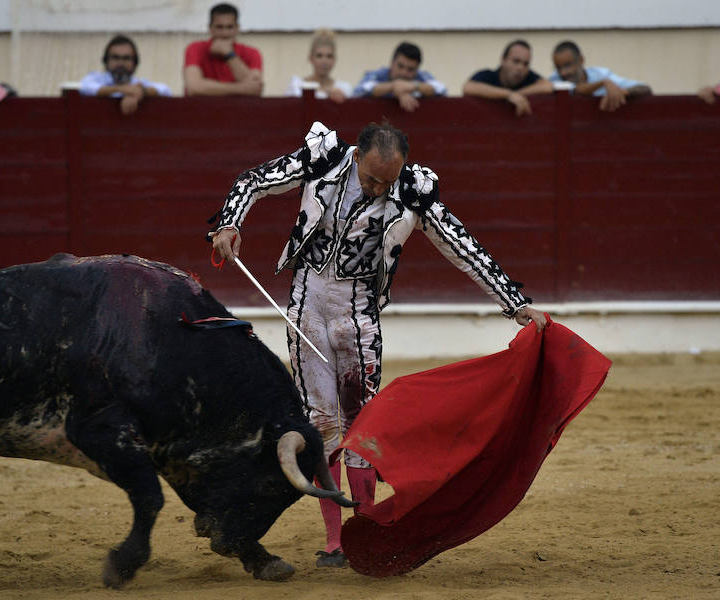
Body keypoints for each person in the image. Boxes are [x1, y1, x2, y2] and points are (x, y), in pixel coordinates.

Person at [210, 120, 547, 568]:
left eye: (386, 182)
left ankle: (363, 533)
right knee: (322, 422)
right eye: (371, 179)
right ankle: (334, 541)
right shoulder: (323, 159)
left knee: (361, 424)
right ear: (356, 157)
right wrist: (230, 223)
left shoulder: (411, 191)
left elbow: (463, 247)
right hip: (306, 303)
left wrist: (515, 303)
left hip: (358, 312)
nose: (376, 190)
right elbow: (253, 180)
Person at [183, 3, 263, 97]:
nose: (225, 33)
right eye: (219, 27)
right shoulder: (195, 48)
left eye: (229, 27)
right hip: (202, 109)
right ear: (210, 28)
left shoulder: (252, 53)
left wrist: (229, 54)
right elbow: (193, 88)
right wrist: (241, 88)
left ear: (237, 28)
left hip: (238, 109)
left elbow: (255, 89)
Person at [80, 34, 171, 116]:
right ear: (106, 61)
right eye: (115, 58)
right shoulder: (96, 79)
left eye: (126, 58)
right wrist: (122, 89)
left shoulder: (138, 84)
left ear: (135, 63)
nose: (121, 63)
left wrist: (142, 92)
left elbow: (165, 89)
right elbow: (85, 87)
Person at [549, 40, 651, 112]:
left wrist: (621, 92)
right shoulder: (555, 79)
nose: (562, 73)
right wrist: (604, 83)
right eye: (558, 67)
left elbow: (645, 88)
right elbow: (578, 90)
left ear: (581, 60)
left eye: (567, 66)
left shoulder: (600, 74)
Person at [462, 39, 553, 117]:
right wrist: (508, 95)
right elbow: (468, 87)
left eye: (526, 64)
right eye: (516, 61)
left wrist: (517, 94)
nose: (520, 68)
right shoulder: (489, 75)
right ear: (503, 60)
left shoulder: (528, 76)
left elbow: (548, 86)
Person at [352, 42, 447, 112]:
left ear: (417, 69)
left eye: (410, 69)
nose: (404, 73)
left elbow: (442, 89)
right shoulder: (379, 74)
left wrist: (414, 86)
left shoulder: (421, 76)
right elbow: (358, 90)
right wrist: (393, 86)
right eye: (400, 66)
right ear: (392, 63)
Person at [285, 28, 353, 103]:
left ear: (334, 60)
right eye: (319, 56)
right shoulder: (297, 87)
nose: (324, 61)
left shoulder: (344, 88)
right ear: (311, 58)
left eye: (329, 56)